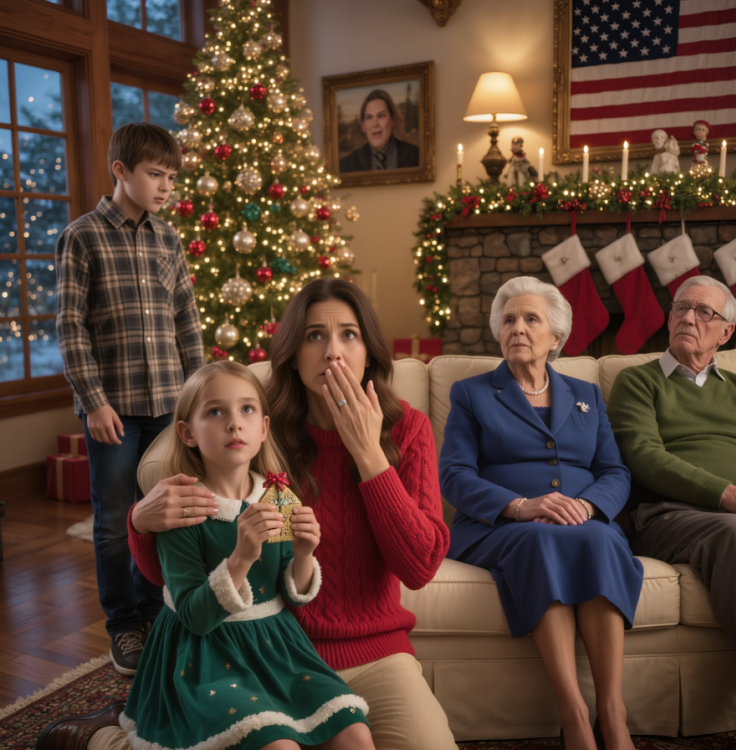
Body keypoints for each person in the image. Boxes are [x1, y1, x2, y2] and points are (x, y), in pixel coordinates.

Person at [44, 279, 457, 750]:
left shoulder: (406, 428)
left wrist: (368, 455)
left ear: (370, 352)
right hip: (266, 652)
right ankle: (107, 737)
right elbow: (176, 570)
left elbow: (420, 566)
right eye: (314, 335)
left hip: (376, 653)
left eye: (349, 334)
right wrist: (140, 522)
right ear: (292, 352)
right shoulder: (260, 430)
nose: (332, 352)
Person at [118, 360, 374, 750]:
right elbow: (194, 617)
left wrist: (304, 555)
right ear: (187, 433)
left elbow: (294, 593)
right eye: (215, 411)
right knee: (277, 744)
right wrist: (241, 557)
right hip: (202, 658)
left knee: (356, 734)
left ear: (264, 428)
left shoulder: (278, 497)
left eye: (247, 409)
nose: (234, 423)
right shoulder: (183, 512)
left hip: (277, 648)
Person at [440, 276, 643, 750]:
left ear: (556, 338)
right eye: (509, 319)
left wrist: (589, 506)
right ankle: (573, 712)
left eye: (532, 319)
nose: (518, 328)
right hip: (501, 527)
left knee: (598, 537)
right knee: (541, 536)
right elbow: (454, 475)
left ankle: (613, 713)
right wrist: (521, 506)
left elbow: (615, 471)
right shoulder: (471, 394)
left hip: (580, 520)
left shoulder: (586, 394)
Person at [55, 122, 204, 675]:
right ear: (121, 171)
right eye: (155, 175)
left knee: (168, 512)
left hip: (170, 404)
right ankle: (125, 626)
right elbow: (70, 327)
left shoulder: (168, 239)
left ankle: (156, 609)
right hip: (112, 411)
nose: (166, 186)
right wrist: (92, 401)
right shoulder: (82, 236)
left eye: (172, 177)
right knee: (117, 516)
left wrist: (199, 396)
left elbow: (186, 321)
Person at [607, 276, 736, 690]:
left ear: (726, 332)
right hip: (667, 515)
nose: (688, 317)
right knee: (734, 530)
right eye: (681, 308)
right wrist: (729, 495)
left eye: (703, 312)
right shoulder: (638, 382)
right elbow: (646, 458)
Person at [338, 89, 419, 173]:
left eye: (381, 116)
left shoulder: (417, 156)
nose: (375, 124)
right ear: (363, 126)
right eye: (369, 117)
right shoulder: (346, 165)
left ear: (392, 120)